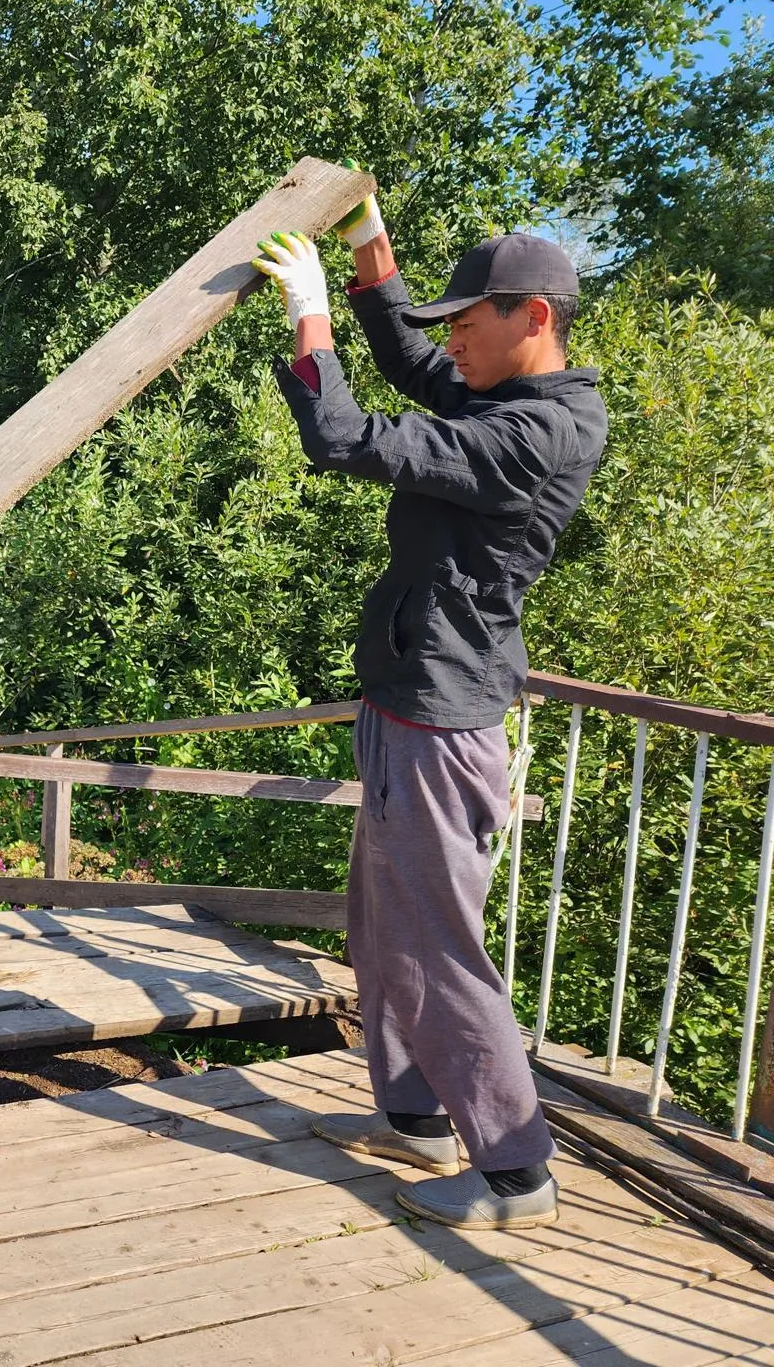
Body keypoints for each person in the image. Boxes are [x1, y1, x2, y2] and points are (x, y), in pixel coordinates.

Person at [251, 183, 606, 1231]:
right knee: (382, 929)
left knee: (439, 945)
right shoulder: (503, 397)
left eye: (467, 322)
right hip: (411, 696)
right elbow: (411, 359)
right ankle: (415, 1118)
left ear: (531, 317)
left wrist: (310, 311)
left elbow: (345, 437)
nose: (450, 340)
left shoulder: (535, 434)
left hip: (443, 724)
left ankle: (516, 1173)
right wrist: (370, 242)